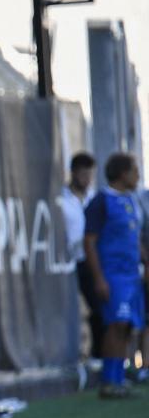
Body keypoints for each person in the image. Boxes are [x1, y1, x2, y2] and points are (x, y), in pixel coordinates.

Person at [83, 153, 144, 399]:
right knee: (116, 324)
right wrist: (99, 278)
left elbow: (133, 238)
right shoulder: (101, 201)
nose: (138, 176)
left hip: (131, 275)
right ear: (122, 174)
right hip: (112, 275)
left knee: (128, 326)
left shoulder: (131, 200)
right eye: (134, 171)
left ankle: (118, 377)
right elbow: (89, 242)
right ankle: (108, 380)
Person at [62, 153, 101, 360]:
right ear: (74, 173)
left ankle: (96, 354)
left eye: (90, 175)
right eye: (83, 174)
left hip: (89, 260)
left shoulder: (94, 199)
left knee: (96, 307)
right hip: (67, 262)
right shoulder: (61, 198)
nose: (87, 179)